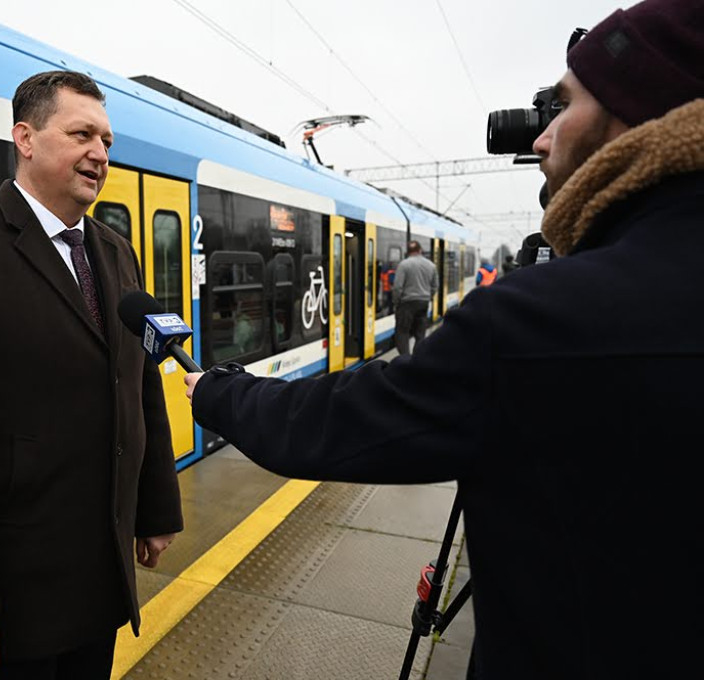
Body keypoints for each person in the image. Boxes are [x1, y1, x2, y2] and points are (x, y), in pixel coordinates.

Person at [184, 1, 703, 677]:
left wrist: (217, 392)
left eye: (562, 109)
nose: (540, 140)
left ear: (638, 116)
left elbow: (342, 422)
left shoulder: (535, 321)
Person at [0, 71, 183, 680]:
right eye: (81, 135)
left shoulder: (115, 250)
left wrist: (156, 507)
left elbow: (138, 383)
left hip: (101, 575)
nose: (99, 154)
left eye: (106, 140)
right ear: (25, 138)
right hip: (16, 588)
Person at [391, 240, 438, 356]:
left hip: (406, 303)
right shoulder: (431, 266)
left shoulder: (404, 264)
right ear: (420, 250)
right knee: (420, 333)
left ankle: (405, 358)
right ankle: (417, 358)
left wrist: (396, 303)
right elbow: (435, 286)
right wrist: (428, 296)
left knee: (402, 332)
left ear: (408, 252)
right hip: (423, 303)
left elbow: (397, 287)